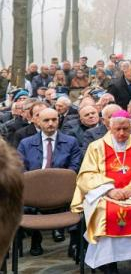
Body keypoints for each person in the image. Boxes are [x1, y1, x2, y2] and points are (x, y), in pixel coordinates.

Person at [71, 110, 131, 273]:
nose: (121, 133)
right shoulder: (96, 147)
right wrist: (109, 190)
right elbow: (87, 174)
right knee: (105, 212)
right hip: (104, 193)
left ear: (130, 127)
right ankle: (108, 263)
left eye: (125, 129)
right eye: (117, 129)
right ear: (109, 127)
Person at [17, 108, 83, 256]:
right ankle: (35, 237)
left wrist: (57, 183)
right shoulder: (26, 143)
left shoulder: (71, 142)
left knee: (79, 202)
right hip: (33, 191)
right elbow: (20, 167)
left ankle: (74, 243)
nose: (51, 123)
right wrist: (37, 184)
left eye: (54, 120)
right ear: (37, 122)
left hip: (62, 190)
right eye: (46, 120)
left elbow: (75, 167)